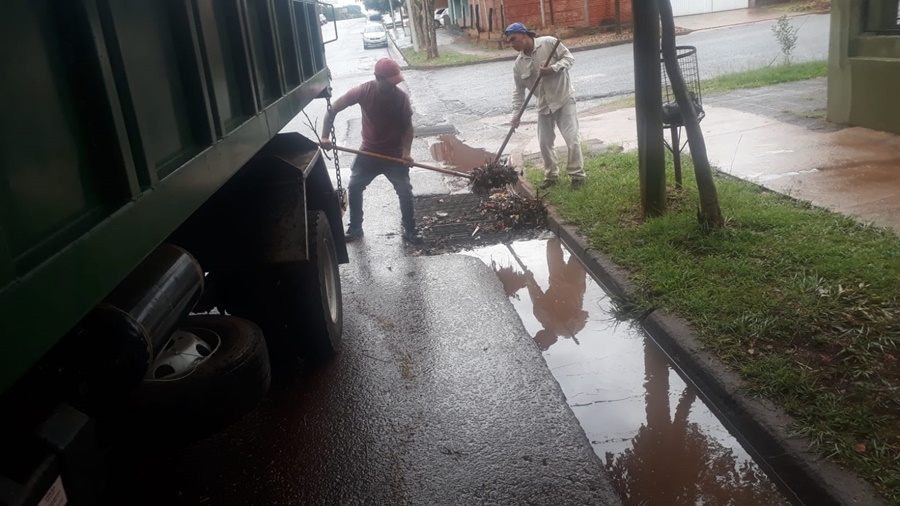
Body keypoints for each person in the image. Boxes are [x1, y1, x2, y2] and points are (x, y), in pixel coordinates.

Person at [320, 58, 423, 244]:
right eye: (390, 82)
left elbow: (408, 127)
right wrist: (325, 136)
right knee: (354, 187)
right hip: (369, 151)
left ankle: (409, 230)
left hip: (394, 153)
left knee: (405, 191)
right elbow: (332, 109)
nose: (394, 86)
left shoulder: (401, 98)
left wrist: (406, 152)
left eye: (396, 81)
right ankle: (355, 229)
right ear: (378, 77)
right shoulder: (362, 91)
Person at [504, 22, 585, 190]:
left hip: (563, 98)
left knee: (572, 139)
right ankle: (551, 176)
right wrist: (515, 114)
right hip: (543, 104)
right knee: (544, 142)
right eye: (509, 42)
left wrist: (553, 68)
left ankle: (577, 176)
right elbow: (518, 92)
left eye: (514, 39)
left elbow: (569, 58)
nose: (512, 44)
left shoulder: (548, 42)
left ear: (524, 34)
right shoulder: (518, 64)